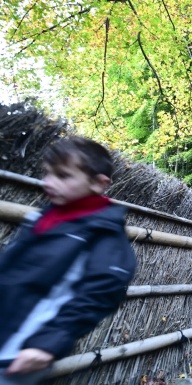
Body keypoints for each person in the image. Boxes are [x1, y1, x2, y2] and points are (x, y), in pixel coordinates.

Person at [0, 136, 137, 384]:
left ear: (98, 183)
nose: (49, 182)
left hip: (22, 351)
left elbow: (100, 293)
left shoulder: (103, 235)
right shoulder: (45, 217)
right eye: (47, 173)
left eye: (63, 176)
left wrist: (49, 342)